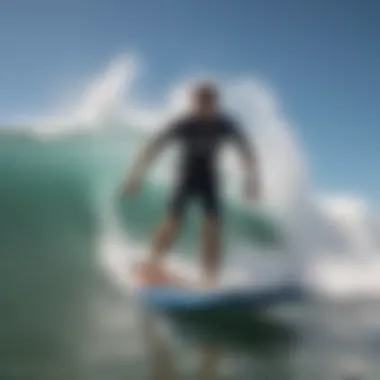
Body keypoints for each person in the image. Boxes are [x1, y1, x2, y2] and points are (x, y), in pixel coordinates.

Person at [123, 81, 259, 288]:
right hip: (186, 178)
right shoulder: (185, 124)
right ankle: (151, 265)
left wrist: (251, 181)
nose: (204, 107)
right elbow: (154, 147)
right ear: (194, 103)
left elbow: (246, 151)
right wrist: (136, 175)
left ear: (215, 103)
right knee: (172, 222)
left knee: (212, 227)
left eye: (209, 102)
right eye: (200, 102)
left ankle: (210, 277)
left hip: (209, 179)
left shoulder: (225, 124)